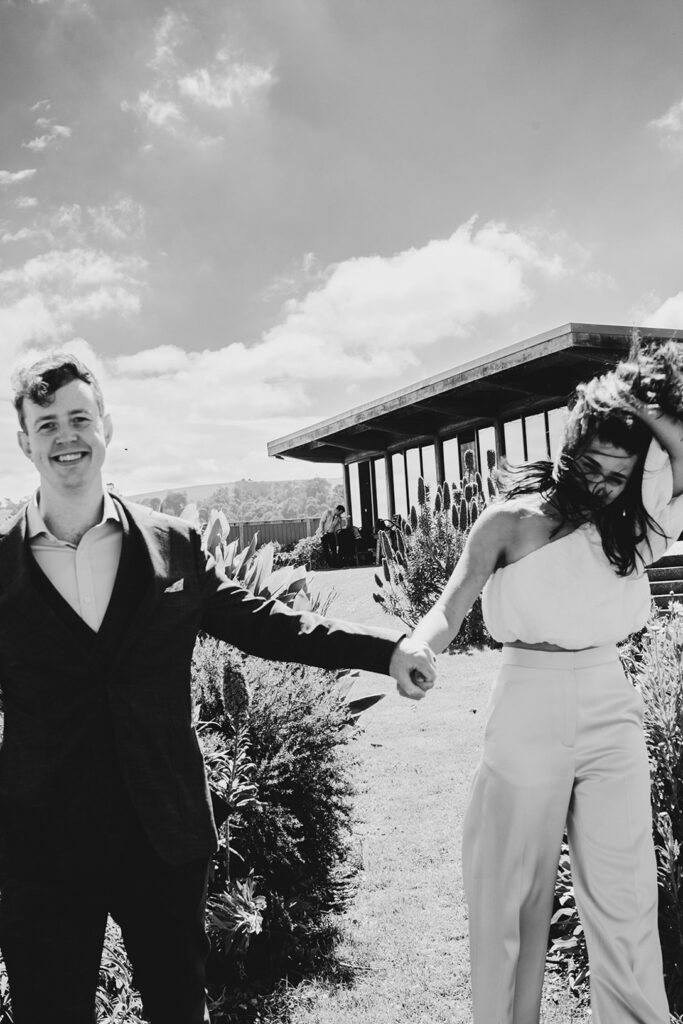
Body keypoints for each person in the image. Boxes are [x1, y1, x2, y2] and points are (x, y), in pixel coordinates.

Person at [0, 353, 436, 1024]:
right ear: (24, 440)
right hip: (44, 843)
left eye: (80, 417)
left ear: (107, 426)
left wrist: (388, 647)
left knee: (179, 1009)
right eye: (48, 422)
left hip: (162, 835)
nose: (67, 436)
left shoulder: (174, 546)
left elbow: (269, 625)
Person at [411, 339, 683, 1024]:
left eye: (615, 474)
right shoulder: (508, 521)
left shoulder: (636, 527)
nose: (599, 483)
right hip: (526, 700)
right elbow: (451, 603)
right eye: (588, 465)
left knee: (624, 896)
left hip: (606, 701)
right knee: (512, 896)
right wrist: (418, 645)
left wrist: (629, 403)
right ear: (567, 449)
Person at [318, 503, 345, 567]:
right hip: (324, 533)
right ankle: (330, 564)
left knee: (334, 549)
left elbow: (338, 528)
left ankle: (336, 564)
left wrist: (340, 522)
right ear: (337, 510)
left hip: (331, 534)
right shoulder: (328, 512)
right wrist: (322, 531)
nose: (340, 514)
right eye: (340, 512)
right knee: (326, 550)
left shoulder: (338, 518)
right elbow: (322, 521)